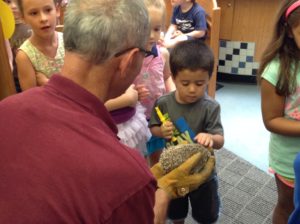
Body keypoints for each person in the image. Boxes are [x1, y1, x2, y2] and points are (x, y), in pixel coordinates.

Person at [0, 0, 210, 223]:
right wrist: (165, 191)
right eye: (145, 52)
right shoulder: (127, 177)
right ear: (128, 62)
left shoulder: (6, 109)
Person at [148, 39, 224, 224]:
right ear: (173, 77)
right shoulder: (164, 103)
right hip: (174, 170)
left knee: (206, 214)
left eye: (199, 84)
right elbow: (153, 128)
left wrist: (210, 137)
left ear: (208, 78)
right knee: (176, 212)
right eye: (185, 83)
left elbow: (220, 140)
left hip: (203, 170)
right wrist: (161, 131)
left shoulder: (210, 107)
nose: (192, 89)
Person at [105, 0, 175, 157]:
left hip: (158, 115)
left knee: (158, 154)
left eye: (156, 29)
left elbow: (167, 77)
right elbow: (120, 87)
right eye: (146, 29)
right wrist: (135, 93)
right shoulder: (128, 58)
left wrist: (173, 93)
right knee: (141, 157)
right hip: (137, 117)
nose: (151, 35)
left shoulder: (163, 54)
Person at [257, 0, 300, 223]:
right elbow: (272, 120)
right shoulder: (277, 70)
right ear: (290, 32)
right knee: (289, 204)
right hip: (289, 156)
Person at [15, 0, 64, 91]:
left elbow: (79, 83)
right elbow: (31, 100)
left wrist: (47, 83)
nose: (43, 18)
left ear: (57, 10)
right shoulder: (25, 56)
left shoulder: (68, 41)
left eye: (48, 10)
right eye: (34, 13)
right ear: (23, 18)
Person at [4, 0, 32, 92]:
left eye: (17, 2)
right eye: (8, 2)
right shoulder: (4, 30)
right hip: (13, 78)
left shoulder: (32, 24)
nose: (13, 6)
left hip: (33, 74)